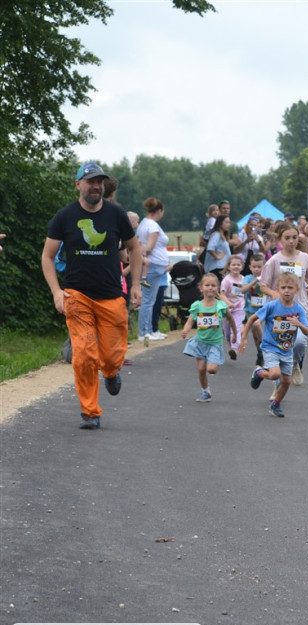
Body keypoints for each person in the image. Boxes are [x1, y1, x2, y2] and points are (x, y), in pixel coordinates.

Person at [41, 163, 142, 429]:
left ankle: (110, 372)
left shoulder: (116, 215)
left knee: (110, 356)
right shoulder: (64, 217)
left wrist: (135, 286)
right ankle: (90, 412)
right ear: (78, 184)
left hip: (111, 296)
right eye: (90, 181)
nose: (96, 186)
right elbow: (47, 256)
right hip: (77, 295)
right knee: (83, 354)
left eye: (99, 182)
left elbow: (135, 248)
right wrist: (56, 291)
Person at [260, 224, 308, 387]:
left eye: (294, 238)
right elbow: (263, 285)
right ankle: (276, 389)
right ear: (280, 240)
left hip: (299, 307)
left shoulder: (305, 258)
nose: (291, 241)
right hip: (278, 310)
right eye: (287, 238)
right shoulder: (273, 261)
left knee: (297, 343)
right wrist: (274, 294)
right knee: (279, 347)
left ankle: (295, 363)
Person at [239, 272, 308, 418]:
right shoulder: (272, 306)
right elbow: (252, 318)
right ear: (277, 289)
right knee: (275, 374)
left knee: (287, 381)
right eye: (283, 287)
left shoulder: (298, 309)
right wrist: (244, 337)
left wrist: (299, 324)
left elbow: (307, 331)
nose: (286, 291)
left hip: (287, 350)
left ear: (297, 290)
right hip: (270, 347)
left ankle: (275, 405)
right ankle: (259, 372)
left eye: (290, 287)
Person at [180, 272, 235, 402]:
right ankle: (205, 391)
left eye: (213, 285)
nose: (210, 288)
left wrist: (235, 334)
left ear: (217, 288)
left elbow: (231, 319)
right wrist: (185, 330)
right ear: (201, 288)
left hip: (215, 343)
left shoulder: (221, 306)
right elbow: (190, 320)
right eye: (207, 285)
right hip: (200, 342)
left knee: (212, 370)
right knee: (201, 369)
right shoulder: (197, 305)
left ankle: (213, 361)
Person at [136, 197, 170, 342]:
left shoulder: (143, 224)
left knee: (149, 298)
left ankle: (150, 330)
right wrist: (144, 256)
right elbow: (148, 248)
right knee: (148, 299)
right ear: (160, 211)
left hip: (152, 267)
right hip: (153, 267)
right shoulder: (153, 227)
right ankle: (144, 332)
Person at [240, 253, 274, 368]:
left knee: (256, 324)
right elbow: (243, 290)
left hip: (265, 308)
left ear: (264, 267)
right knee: (255, 333)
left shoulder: (267, 278)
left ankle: (265, 346)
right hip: (251, 308)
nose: (256, 269)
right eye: (254, 267)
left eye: (259, 267)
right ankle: (260, 352)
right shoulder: (248, 278)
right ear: (250, 267)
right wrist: (254, 281)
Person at [219, 255, 247, 360]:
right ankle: (232, 347)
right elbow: (221, 294)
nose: (236, 267)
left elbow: (246, 293)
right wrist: (228, 303)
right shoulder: (226, 280)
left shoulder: (244, 280)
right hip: (227, 310)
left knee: (236, 328)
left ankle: (235, 349)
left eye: (238, 265)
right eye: (233, 264)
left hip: (239, 309)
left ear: (242, 267)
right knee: (227, 333)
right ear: (229, 267)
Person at [203, 215, 231, 279]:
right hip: (218, 267)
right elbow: (210, 247)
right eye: (226, 222)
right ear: (220, 223)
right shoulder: (216, 234)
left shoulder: (222, 236)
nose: (228, 225)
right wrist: (217, 256)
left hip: (223, 267)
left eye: (229, 223)